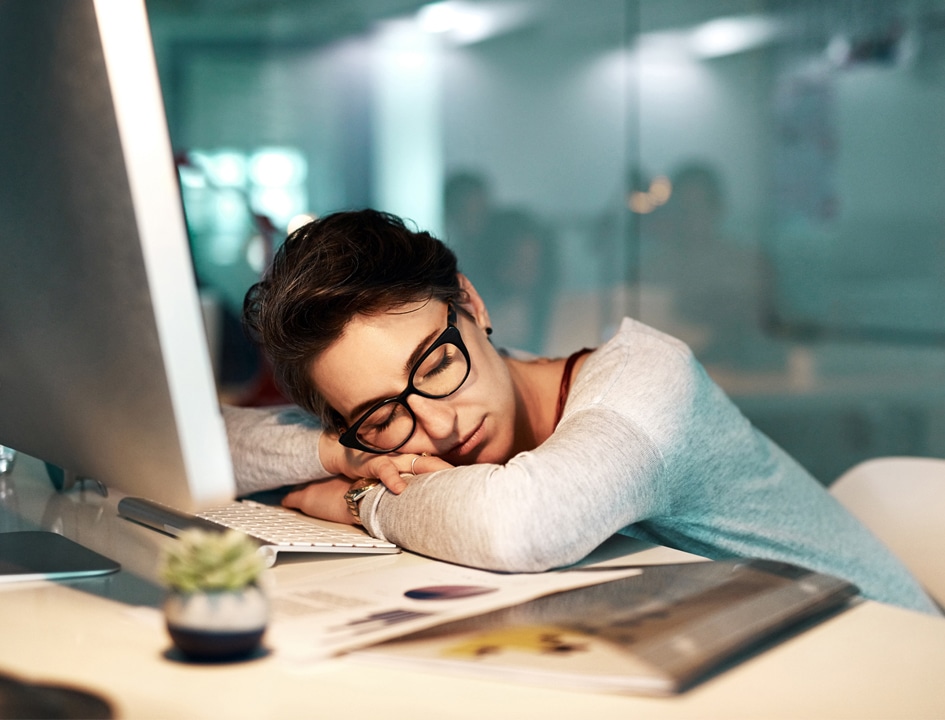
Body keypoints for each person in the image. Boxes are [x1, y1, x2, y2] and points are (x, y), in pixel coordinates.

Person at [224, 208, 939, 616]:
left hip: (885, 662)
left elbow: (519, 524)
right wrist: (344, 452)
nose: (437, 427)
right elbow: (211, 441)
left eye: (436, 364)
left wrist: (361, 499)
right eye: (382, 415)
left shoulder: (646, 382)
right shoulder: (395, 429)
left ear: (471, 306)